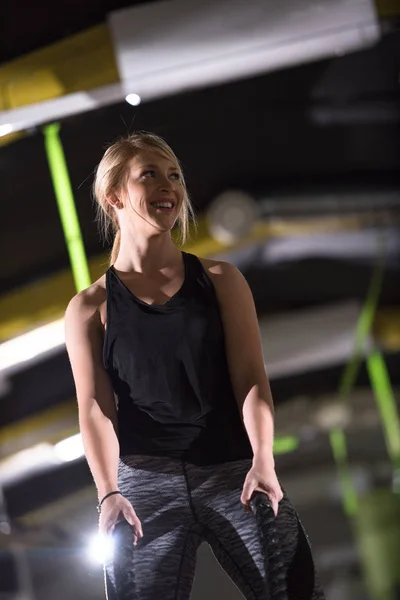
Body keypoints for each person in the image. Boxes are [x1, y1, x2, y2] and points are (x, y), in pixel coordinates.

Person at [65, 132, 324, 600]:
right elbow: (95, 410)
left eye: (175, 176)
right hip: (145, 482)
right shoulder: (89, 308)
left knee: (295, 592)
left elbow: (250, 379)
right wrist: (108, 492)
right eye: (151, 175)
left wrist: (263, 459)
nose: (169, 186)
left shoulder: (222, 280)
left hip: (235, 472)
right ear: (114, 196)